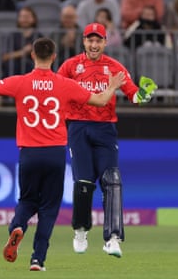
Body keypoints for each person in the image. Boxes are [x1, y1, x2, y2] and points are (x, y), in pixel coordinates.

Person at [0, 37, 126, 271]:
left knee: (27, 201)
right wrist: (112, 86)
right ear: (54, 57)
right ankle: (38, 259)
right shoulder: (63, 84)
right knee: (49, 208)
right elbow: (100, 100)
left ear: (33, 56)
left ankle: (17, 226)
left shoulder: (20, 82)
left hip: (28, 153)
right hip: (55, 153)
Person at [57, 22, 157, 258]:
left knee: (112, 180)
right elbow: (55, 91)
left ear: (104, 42)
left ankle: (112, 238)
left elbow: (134, 95)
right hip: (78, 127)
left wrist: (145, 94)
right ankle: (81, 230)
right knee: (83, 181)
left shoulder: (114, 67)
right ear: (83, 41)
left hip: (105, 128)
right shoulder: (70, 66)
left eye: (98, 40)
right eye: (90, 40)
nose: (94, 45)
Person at [1, 6, 43, 76]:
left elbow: (44, 57)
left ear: (34, 19)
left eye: (27, 17)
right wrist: (23, 52)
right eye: (22, 17)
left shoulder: (39, 37)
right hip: (14, 69)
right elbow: (5, 57)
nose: (24, 20)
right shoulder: (12, 36)